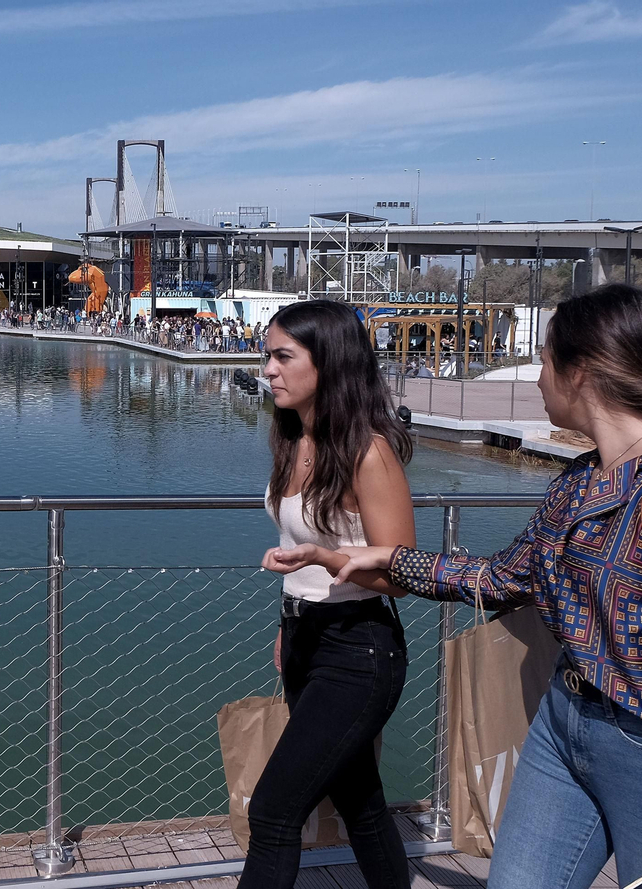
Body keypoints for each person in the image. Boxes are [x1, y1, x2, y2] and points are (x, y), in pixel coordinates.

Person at [297, 284, 642, 888]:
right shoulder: (580, 480)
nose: (537, 378)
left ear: (581, 374)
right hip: (562, 724)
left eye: (544, 361)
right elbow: (507, 577)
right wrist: (392, 560)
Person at [247, 299, 416, 889]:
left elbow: (401, 572)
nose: (267, 368)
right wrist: (287, 623)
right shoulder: (293, 439)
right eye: (268, 354)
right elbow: (301, 555)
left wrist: (326, 558)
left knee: (272, 810)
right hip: (305, 637)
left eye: (282, 356)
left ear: (329, 364)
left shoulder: (368, 453)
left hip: (359, 650)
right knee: (361, 804)